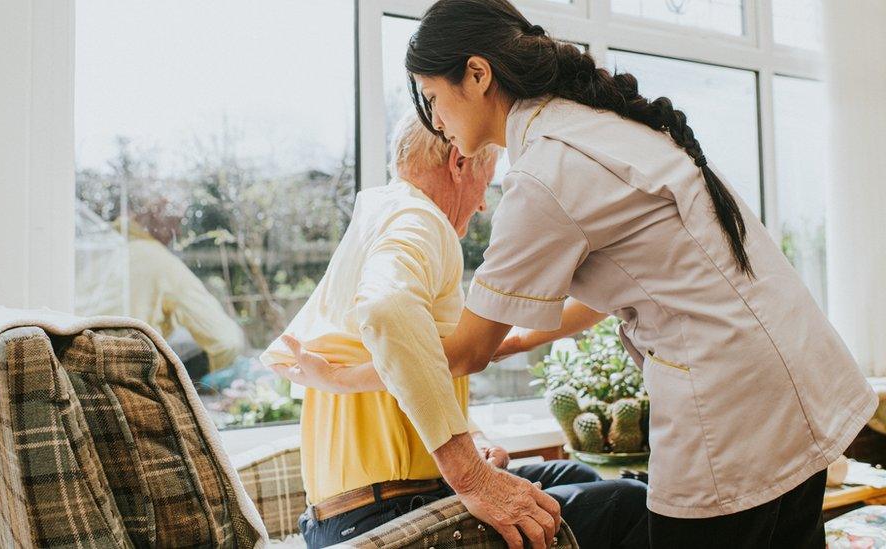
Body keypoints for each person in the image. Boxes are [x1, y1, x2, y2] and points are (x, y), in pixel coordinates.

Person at [278, 1, 879, 547]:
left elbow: (464, 350)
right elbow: (581, 310)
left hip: (731, 409)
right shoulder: (592, 127)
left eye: (432, 98)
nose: (436, 122)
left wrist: (338, 378)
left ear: (478, 75)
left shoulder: (543, 173)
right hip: (795, 382)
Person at [263, 111, 647, 549]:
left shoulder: (383, 215)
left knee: (573, 475)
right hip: (383, 516)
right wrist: (470, 474)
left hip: (352, 513)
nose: (484, 202)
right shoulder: (418, 219)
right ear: (458, 162)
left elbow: (427, 359)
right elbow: (387, 308)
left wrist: (474, 437)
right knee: (628, 503)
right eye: (488, 178)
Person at [76, 196, 246, 377]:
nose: (178, 232)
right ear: (156, 214)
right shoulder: (160, 261)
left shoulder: (95, 250)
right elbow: (227, 342)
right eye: (176, 222)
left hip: (70, 371)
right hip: (120, 378)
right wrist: (174, 380)